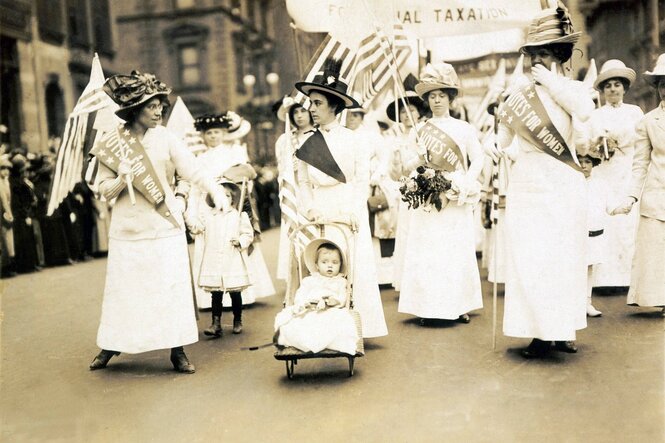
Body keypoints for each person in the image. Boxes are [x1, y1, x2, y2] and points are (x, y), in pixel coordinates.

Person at [89, 71, 228, 373]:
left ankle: (177, 349)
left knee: (170, 289)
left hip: (165, 226)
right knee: (125, 292)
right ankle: (112, 344)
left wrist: (215, 190)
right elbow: (101, 189)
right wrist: (119, 178)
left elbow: (192, 170)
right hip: (128, 229)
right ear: (135, 109)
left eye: (161, 106)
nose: (159, 111)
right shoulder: (113, 142)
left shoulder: (166, 138)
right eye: (152, 106)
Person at [487, 5, 595, 358]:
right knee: (531, 257)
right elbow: (502, 138)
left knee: (564, 258)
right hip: (529, 182)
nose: (536, 61)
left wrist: (552, 82)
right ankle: (536, 331)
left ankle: (562, 329)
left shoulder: (571, 89)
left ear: (560, 55)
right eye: (533, 54)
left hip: (563, 182)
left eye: (544, 54)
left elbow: (584, 111)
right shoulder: (519, 96)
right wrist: (494, 147)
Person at [294, 57, 388, 338]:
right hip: (318, 210)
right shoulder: (305, 142)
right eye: (310, 103)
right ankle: (323, 331)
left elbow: (361, 180)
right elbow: (302, 181)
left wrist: (352, 211)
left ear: (334, 106)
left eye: (318, 103)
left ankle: (357, 328)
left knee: (352, 266)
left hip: (348, 208)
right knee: (321, 266)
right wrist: (309, 208)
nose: (311, 109)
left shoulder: (355, 140)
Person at [397, 62, 484, 324]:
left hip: (455, 197)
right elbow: (406, 166)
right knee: (429, 252)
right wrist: (418, 161)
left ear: (450, 98)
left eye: (441, 96)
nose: (436, 101)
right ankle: (427, 307)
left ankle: (459, 305)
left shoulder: (464, 128)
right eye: (432, 96)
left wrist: (465, 184)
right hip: (427, 199)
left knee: (455, 251)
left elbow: (477, 160)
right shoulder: (418, 130)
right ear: (426, 99)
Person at [186, 112, 275, 311]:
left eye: (217, 132)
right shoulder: (199, 159)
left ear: (224, 133)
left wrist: (238, 198)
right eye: (209, 133)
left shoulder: (233, 153)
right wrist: (192, 213)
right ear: (203, 136)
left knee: (233, 245)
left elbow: (246, 180)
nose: (213, 137)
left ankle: (241, 292)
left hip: (231, 203)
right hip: (207, 207)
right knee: (211, 247)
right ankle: (211, 295)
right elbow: (194, 186)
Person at [611, 54, 665, 315]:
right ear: (656, 88)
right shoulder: (647, 122)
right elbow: (640, 164)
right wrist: (631, 197)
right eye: (662, 83)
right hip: (657, 195)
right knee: (657, 252)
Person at [585, 59, 644, 290]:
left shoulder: (635, 112)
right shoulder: (596, 115)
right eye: (608, 85)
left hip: (628, 170)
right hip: (605, 173)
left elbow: (642, 142)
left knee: (628, 224)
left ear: (624, 88)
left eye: (617, 85)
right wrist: (599, 145)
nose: (612, 89)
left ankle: (629, 279)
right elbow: (588, 146)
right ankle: (605, 279)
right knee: (606, 222)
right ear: (602, 89)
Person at [274, 240, 358, 355]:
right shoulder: (309, 280)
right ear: (317, 265)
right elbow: (300, 295)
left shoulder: (341, 282)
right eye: (324, 262)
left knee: (339, 321)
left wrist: (334, 301)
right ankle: (305, 341)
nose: (330, 265)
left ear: (340, 265)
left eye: (335, 262)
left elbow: (343, 297)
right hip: (310, 310)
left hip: (330, 311)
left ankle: (323, 342)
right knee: (295, 322)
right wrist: (304, 304)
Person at [196, 181, 253, 337]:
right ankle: (216, 324)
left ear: (233, 198)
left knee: (235, 292)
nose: (224, 198)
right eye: (220, 195)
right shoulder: (209, 216)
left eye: (227, 195)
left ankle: (237, 320)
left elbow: (248, 234)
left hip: (232, 257)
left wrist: (240, 241)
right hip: (214, 258)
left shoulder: (238, 215)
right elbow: (198, 227)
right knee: (216, 293)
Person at [386, 85, 425, 291]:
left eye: (411, 111)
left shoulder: (427, 132)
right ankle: (409, 284)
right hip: (408, 191)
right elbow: (395, 174)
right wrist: (394, 158)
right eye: (403, 112)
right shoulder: (395, 140)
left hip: (428, 188)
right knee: (408, 234)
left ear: (419, 113)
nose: (408, 116)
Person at [274, 98, 315, 281]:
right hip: (294, 190)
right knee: (294, 231)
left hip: (313, 189)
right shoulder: (285, 140)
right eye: (295, 112)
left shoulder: (317, 136)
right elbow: (281, 168)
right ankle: (297, 278)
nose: (299, 116)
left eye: (303, 111)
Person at [580, 153, 609, 317]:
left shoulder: (600, 185)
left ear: (594, 164)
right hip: (573, 234)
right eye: (581, 161)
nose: (584, 165)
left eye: (588, 162)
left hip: (592, 234)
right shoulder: (570, 183)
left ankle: (586, 303)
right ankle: (573, 304)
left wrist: (624, 206)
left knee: (588, 267)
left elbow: (609, 207)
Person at [0, 155, 16, 277]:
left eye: (7, 168)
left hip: (6, 213)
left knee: (8, 240)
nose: (6, 171)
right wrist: (8, 213)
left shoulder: (6, 181)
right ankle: (5, 267)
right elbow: (4, 200)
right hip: (3, 213)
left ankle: (9, 265)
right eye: (3, 168)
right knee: (4, 241)